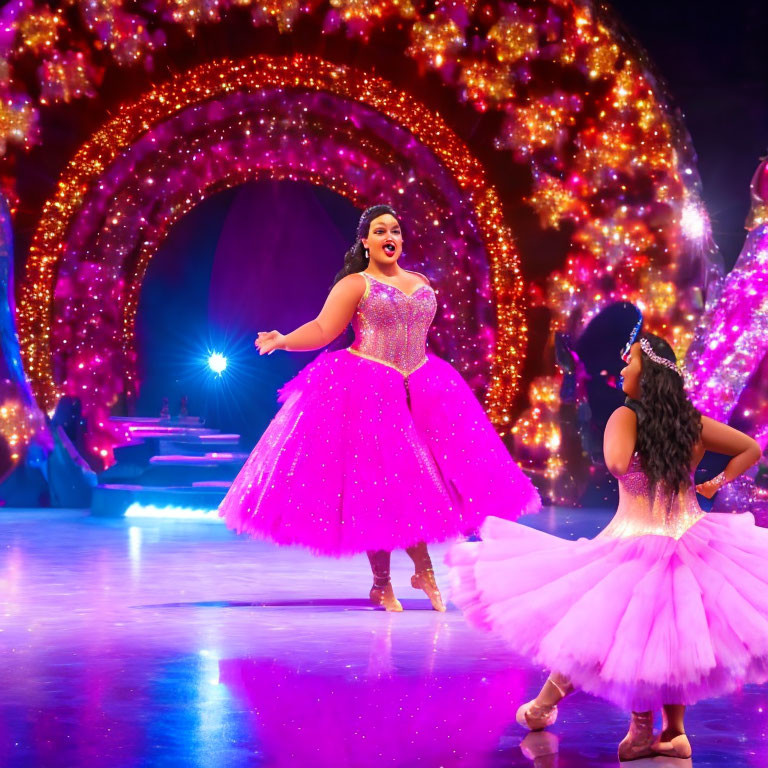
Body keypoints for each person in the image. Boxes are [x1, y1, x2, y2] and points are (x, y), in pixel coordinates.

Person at [448, 332, 765, 760]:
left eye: (629, 360)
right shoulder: (689, 422)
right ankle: (672, 731)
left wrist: (628, 424)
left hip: (633, 543)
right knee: (674, 637)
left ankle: (629, 728)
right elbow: (749, 448)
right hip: (691, 539)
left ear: (649, 373)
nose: (621, 369)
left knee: (603, 636)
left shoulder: (626, 416)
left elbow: (616, 464)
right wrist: (713, 482)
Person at [219, 204, 540, 611]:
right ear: (365, 242)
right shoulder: (356, 284)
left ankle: (409, 575)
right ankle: (389, 581)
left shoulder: (421, 281)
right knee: (379, 488)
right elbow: (322, 329)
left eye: (396, 230)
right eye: (380, 230)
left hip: (424, 389)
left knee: (418, 484)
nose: (390, 236)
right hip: (366, 390)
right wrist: (283, 340)